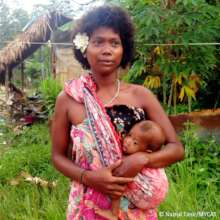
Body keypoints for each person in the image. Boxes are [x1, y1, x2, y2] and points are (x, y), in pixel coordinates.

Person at [51, 5, 184, 220]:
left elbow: (176, 148)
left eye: (115, 43)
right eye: (98, 42)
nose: (107, 50)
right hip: (88, 206)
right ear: (84, 47)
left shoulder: (141, 96)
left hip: (136, 209)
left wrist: (141, 159)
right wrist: (89, 178)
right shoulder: (69, 99)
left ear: (124, 50)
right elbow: (57, 157)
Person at [93, 120, 168, 220]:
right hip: (160, 193)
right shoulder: (149, 156)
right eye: (129, 135)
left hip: (150, 193)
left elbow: (119, 180)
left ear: (147, 151)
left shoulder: (135, 161)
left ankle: (113, 213)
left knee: (117, 181)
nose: (128, 141)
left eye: (135, 142)